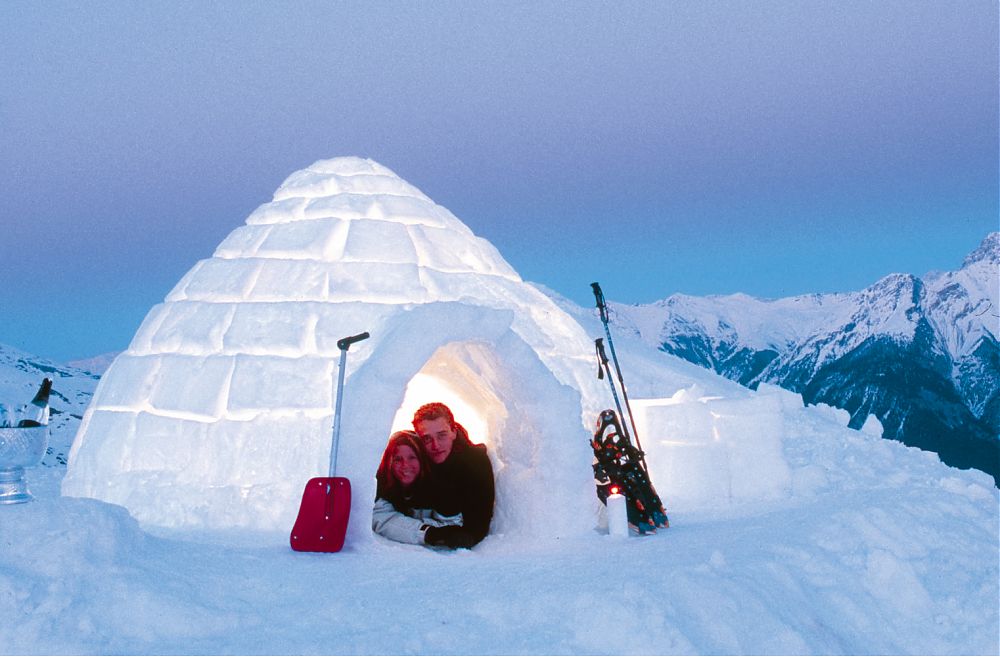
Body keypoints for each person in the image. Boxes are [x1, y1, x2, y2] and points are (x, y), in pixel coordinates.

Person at [412, 402, 495, 549]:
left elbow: (478, 523)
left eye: (442, 435)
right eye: (427, 439)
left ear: (454, 432)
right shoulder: (413, 460)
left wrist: (463, 537)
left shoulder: (475, 461)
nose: (435, 445)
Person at [371, 430, 461, 545]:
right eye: (398, 459)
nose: (405, 465)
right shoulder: (381, 485)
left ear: (422, 459)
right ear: (389, 462)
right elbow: (382, 519)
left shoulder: (439, 486)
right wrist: (427, 532)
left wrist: (407, 526)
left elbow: (452, 525)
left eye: (412, 457)